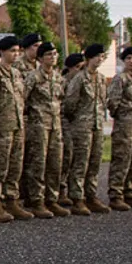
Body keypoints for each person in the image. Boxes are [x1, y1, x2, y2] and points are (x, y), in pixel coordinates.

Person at [0, 36, 32, 223]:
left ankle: (12, 200)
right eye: (12, 51)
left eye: (17, 51)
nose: (16, 55)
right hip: (0, 127)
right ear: (1, 52)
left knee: (15, 166)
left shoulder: (16, 73)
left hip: (17, 126)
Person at [21, 42, 69, 219]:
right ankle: (37, 200)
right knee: (38, 164)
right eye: (48, 54)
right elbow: (23, 100)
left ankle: (52, 199)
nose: (53, 57)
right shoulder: (33, 77)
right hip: (38, 126)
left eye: (55, 54)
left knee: (55, 163)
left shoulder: (57, 78)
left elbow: (61, 100)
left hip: (55, 126)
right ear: (40, 58)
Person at [63, 44, 110, 216]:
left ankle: (91, 195)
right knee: (80, 162)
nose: (100, 59)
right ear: (89, 58)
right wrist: (77, 119)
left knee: (94, 161)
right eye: (97, 56)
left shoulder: (101, 79)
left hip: (96, 125)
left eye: (102, 56)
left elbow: (103, 102)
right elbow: (69, 103)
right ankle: (77, 198)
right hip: (81, 126)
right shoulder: (80, 79)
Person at [106, 46, 132, 211]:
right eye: (129, 58)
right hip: (124, 125)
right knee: (121, 159)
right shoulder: (120, 79)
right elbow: (112, 103)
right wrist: (122, 116)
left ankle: (129, 192)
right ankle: (116, 194)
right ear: (124, 61)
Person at [57, 52, 85, 207]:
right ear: (70, 68)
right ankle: (60, 190)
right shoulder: (62, 82)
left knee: (76, 157)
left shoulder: (81, 81)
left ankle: (71, 189)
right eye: (78, 67)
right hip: (63, 122)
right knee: (65, 157)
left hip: (76, 123)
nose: (80, 71)